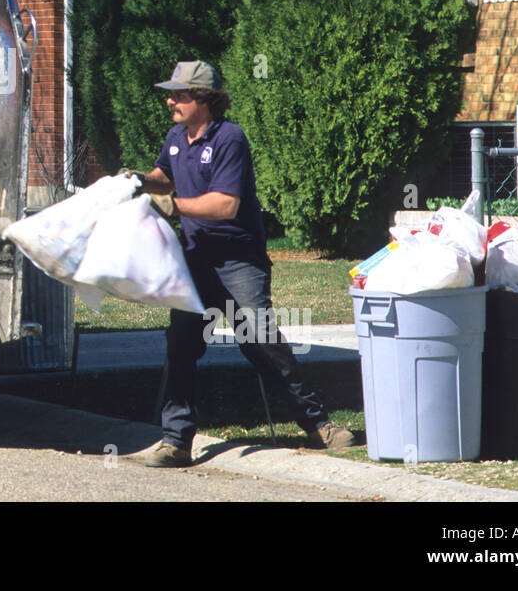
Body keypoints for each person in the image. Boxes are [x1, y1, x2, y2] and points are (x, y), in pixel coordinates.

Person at [126, 60, 354, 467]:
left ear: (202, 99)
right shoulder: (177, 136)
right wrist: (139, 181)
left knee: (261, 341)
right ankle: (175, 441)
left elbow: (226, 205)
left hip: (238, 260)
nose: (169, 100)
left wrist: (172, 206)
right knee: (181, 345)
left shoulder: (230, 139)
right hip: (195, 260)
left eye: (178, 94)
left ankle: (320, 426)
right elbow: (165, 173)